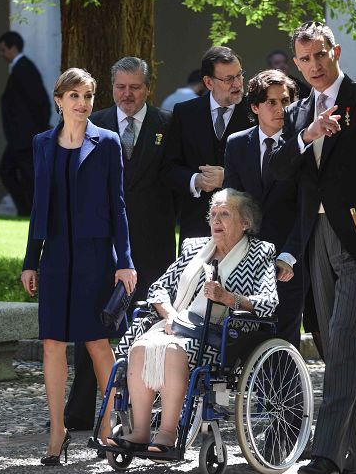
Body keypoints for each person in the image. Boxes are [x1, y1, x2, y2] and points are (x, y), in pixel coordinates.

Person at [270, 21, 356, 474]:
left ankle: (325, 455)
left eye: (319, 56)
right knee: (339, 349)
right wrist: (307, 136)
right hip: (317, 240)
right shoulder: (300, 111)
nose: (312, 66)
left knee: (346, 342)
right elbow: (284, 176)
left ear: (336, 50)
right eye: (304, 59)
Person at [21, 68, 137, 465]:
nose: (82, 104)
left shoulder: (107, 142)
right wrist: (29, 261)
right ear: (59, 100)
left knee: (96, 342)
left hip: (94, 255)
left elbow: (118, 206)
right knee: (52, 343)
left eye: (87, 96)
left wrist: (125, 262)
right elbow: (38, 206)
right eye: (74, 96)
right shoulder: (41, 143)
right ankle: (57, 431)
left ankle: (108, 425)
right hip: (54, 256)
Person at [56, 57, 176, 432]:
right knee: (91, 326)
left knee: (149, 325)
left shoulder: (167, 125)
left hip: (153, 243)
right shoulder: (94, 122)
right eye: (121, 87)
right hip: (99, 244)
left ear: (147, 88)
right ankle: (79, 409)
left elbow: (174, 175)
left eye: (135, 87)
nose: (127, 94)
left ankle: (146, 408)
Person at [113, 189, 278, 453]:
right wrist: (170, 315)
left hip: (221, 336)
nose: (216, 221)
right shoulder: (195, 248)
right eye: (213, 214)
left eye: (224, 214)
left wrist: (228, 298)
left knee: (173, 350)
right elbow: (158, 288)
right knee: (140, 348)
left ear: (245, 222)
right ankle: (141, 430)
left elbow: (269, 301)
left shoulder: (260, 253)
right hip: (177, 323)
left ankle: (167, 433)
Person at [223, 69, 304, 347]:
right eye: (271, 102)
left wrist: (291, 254)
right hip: (247, 257)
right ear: (255, 106)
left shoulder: (302, 143)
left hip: (289, 258)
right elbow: (233, 203)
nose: (280, 108)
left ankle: (288, 392)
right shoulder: (236, 144)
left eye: (286, 101)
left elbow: (306, 206)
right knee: (247, 337)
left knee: (285, 338)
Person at [162, 46, 251, 246]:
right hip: (196, 229)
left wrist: (228, 178)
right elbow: (168, 168)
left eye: (239, 76)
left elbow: (266, 171)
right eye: (228, 79)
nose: (237, 84)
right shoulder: (185, 113)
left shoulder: (255, 113)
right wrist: (196, 180)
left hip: (243, 229)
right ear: (208, 82)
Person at [0, 30, 52, 216]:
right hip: (21, 136)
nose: (2, 54)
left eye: (3, 49)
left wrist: (40, 129)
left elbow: (40, 101)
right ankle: (27, 210)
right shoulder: (20, 68)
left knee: (18, 172)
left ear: (13, 48)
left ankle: (30, 210)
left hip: (25, 136)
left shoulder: (24, 68)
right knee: (15, 172)